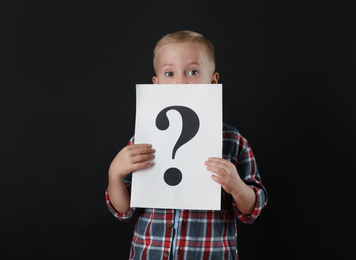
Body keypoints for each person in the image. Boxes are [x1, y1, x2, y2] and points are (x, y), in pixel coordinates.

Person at [105, 30, 267, 260]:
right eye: (169, 73)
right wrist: (114, 175)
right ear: (156, 83)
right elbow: (123, 210)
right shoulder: (143, 139)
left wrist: (236, 186)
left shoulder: (232, 140)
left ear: (212, 81)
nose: (181, 81)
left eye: (192, 72)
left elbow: (252, 209)